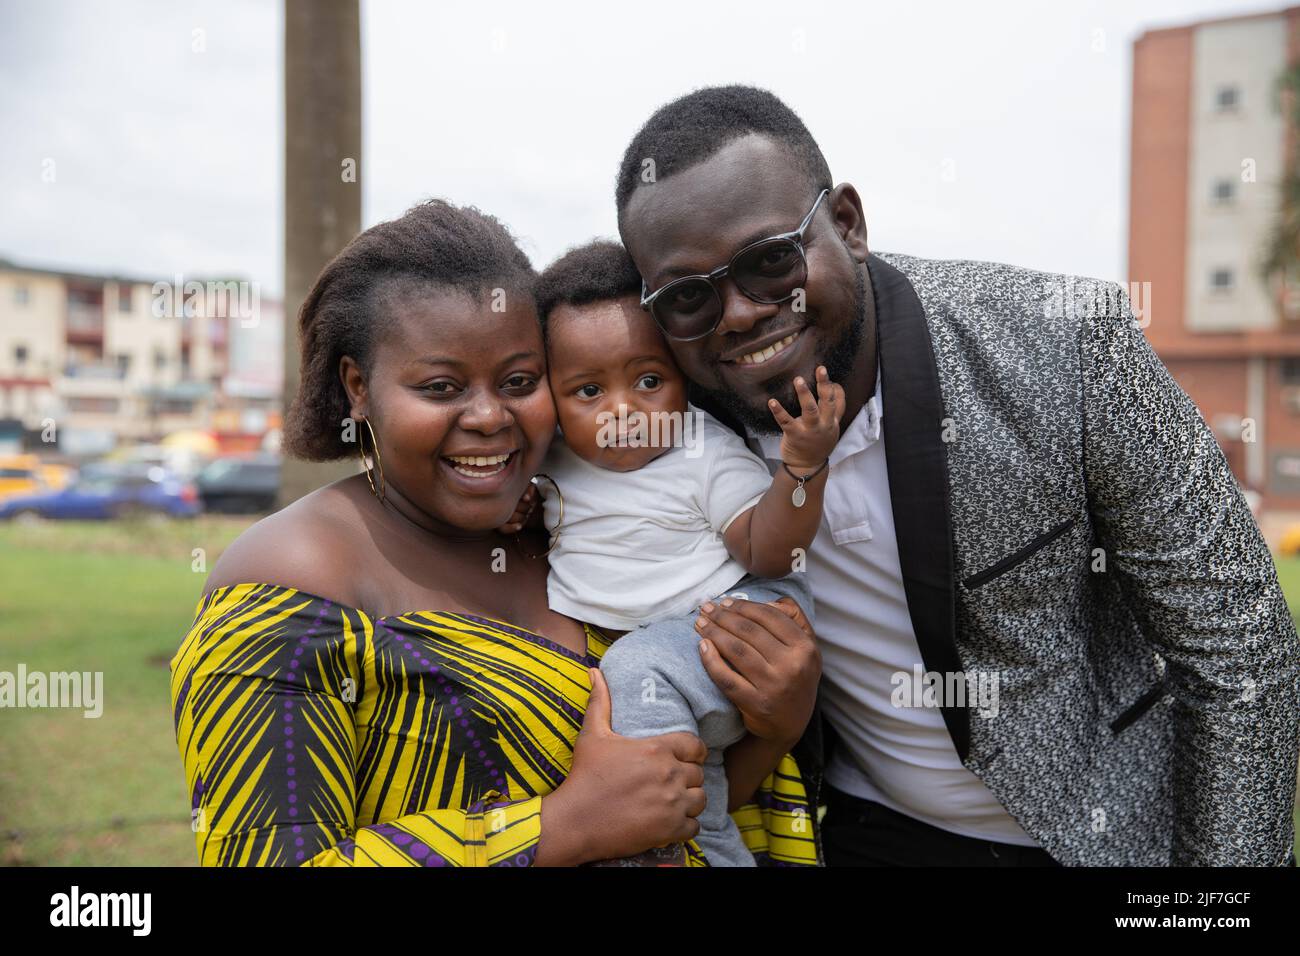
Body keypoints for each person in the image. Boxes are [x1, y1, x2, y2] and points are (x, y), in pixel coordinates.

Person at [613, 84, 1300, 866]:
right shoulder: (680, 409)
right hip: (857, 829)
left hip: (1094, 840)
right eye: (688, 296)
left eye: (772, 260)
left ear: (848, 224)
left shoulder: (1068, 346)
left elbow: (1237, 646)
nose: (737, 314)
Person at [168, 197, 822, 866]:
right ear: (359, 387)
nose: (489, 416)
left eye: (518, 380)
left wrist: (774, 729)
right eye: (442, 387)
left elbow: (673, 807)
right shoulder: (289, 591)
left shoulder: (565, 530)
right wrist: (562, 827)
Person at [502, 239, 838, 865]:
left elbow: (768, 552)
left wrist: (801, 470)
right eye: (587, 391)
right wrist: (523, 511)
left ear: (684, 378)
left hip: (741, 615)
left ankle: (677, 848)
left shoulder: (700, 451)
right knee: (658, 727)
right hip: (669, 647)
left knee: (634, 672)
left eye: (649, 380)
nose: (623, 410)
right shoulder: (555, 460)